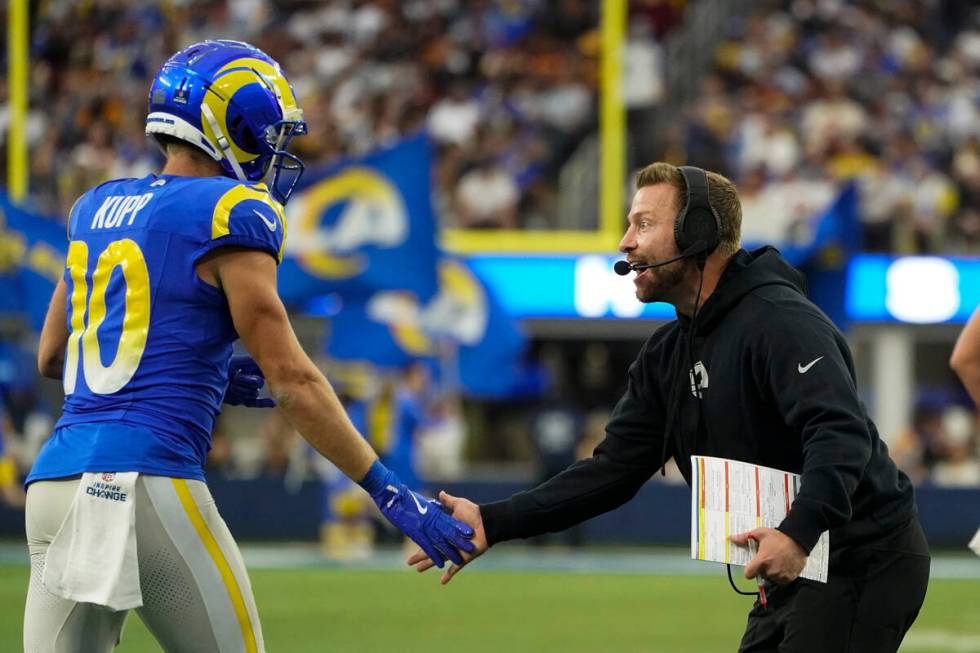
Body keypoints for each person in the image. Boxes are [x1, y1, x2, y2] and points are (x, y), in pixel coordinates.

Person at [25, 39, 473, 653]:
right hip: (149, 482)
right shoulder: (232, 210)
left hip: (54, 483)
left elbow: (54, 356)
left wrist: (191, 360)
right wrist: (387, 489)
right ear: (228, 121)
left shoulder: (93, 206)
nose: (274, 149)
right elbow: (292, 378)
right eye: (268, 131)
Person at [410, 162, 930, 653]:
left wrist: (798, 532)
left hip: (859, 554)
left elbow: (838, 434)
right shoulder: (668, 354)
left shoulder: (781, 321)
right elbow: (611, 471)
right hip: (791, 561)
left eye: (643, 224)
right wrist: (494, 522)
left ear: (699, 232)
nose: (625, 242)